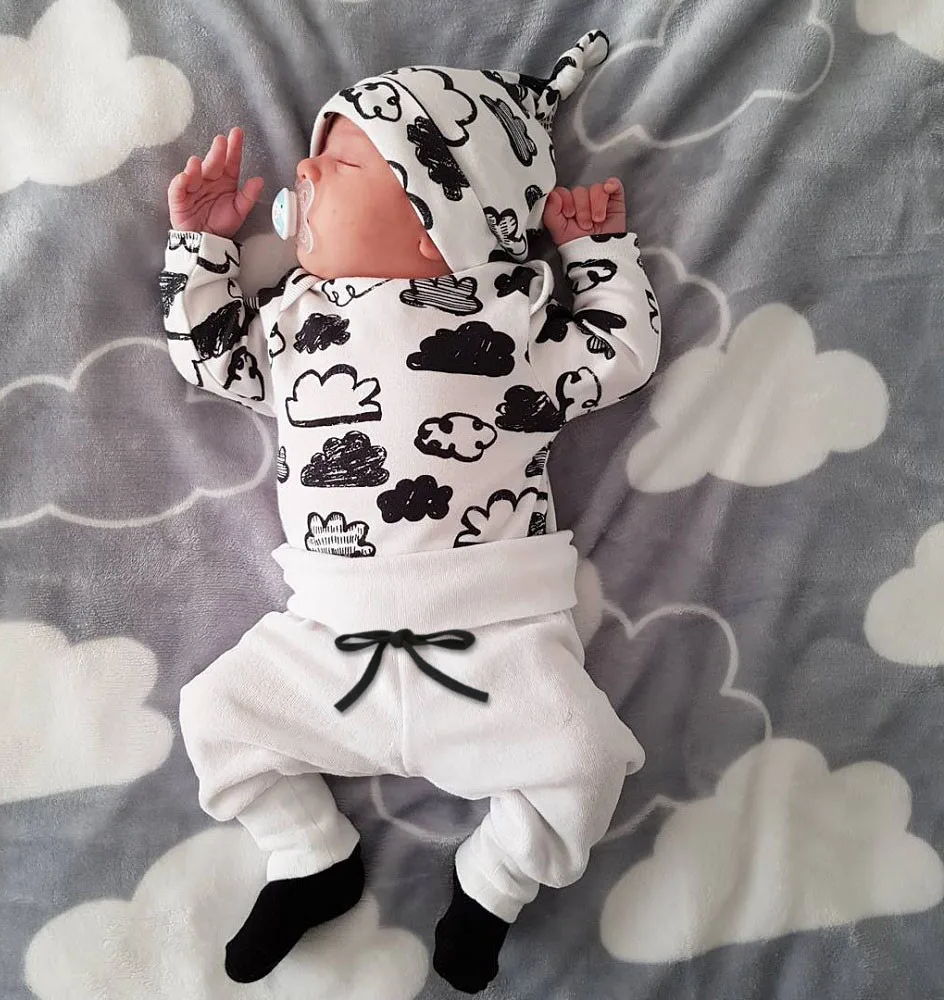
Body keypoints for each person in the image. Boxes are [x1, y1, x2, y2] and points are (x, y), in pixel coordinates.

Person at [159, 29, 660, 994]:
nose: (303, 171)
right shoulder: (294, 320)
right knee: (214, 712)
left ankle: (494, 881)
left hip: (498, 634)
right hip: (326, 632)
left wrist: (594, 255)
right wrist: (202, 246)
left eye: (341, 162)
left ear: (441, 223)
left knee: (586, 757)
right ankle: (309, 855)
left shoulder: (511, 323)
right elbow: (212, 356)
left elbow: (618, 355)